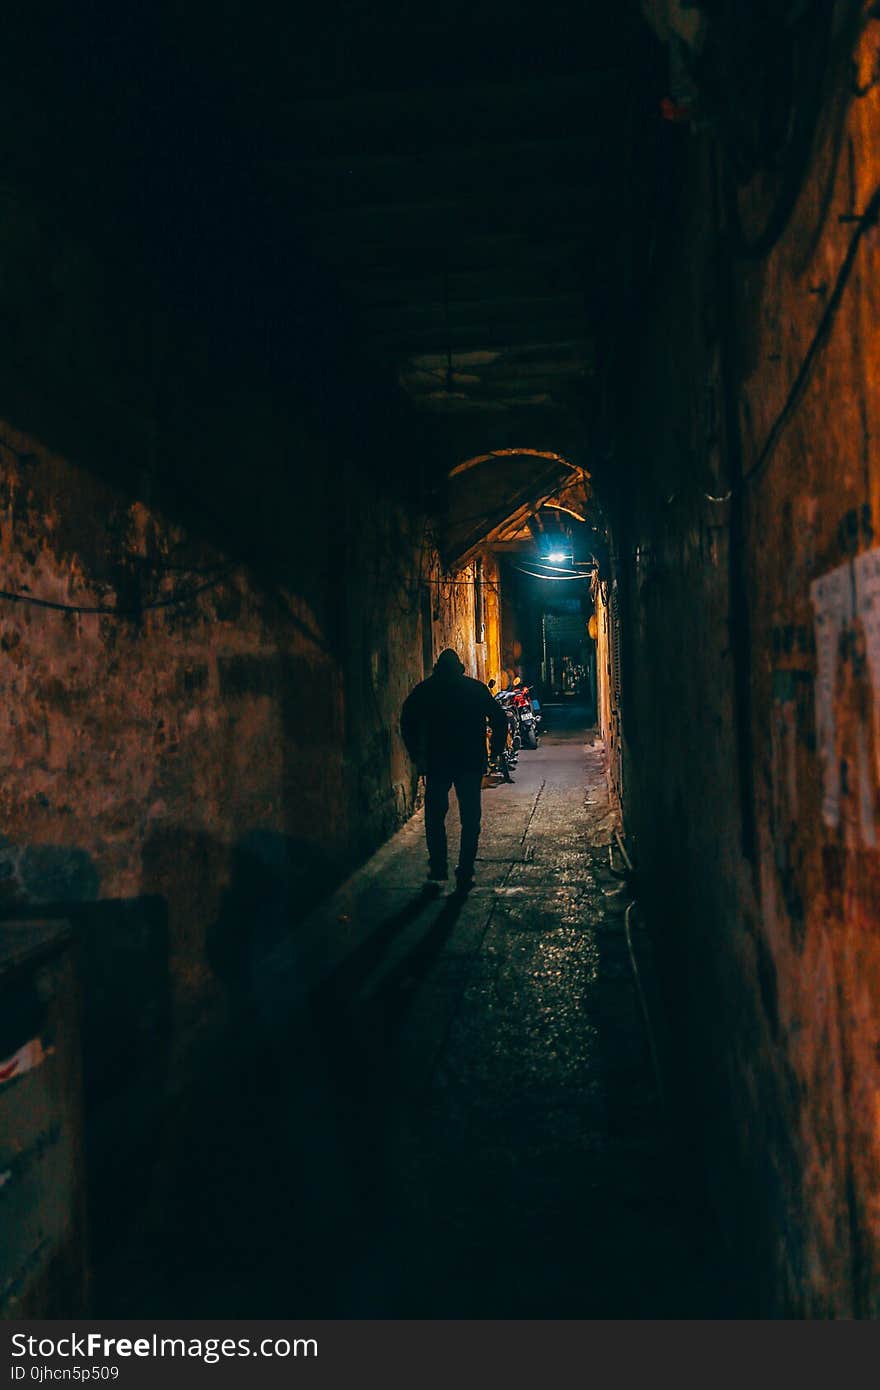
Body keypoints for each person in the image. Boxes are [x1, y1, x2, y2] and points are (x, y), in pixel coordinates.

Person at [401, 649, 508, 894]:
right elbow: (499, 718)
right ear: (460, 668)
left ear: (438, 668)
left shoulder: (426, 690)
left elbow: (407, 719)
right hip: (469, 762)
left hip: (438, 762)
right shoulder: (475, 689)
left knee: (435, 817)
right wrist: (496, 750)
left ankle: (438, 866)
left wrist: (416, 754)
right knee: (470, 818)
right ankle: (466, 870)